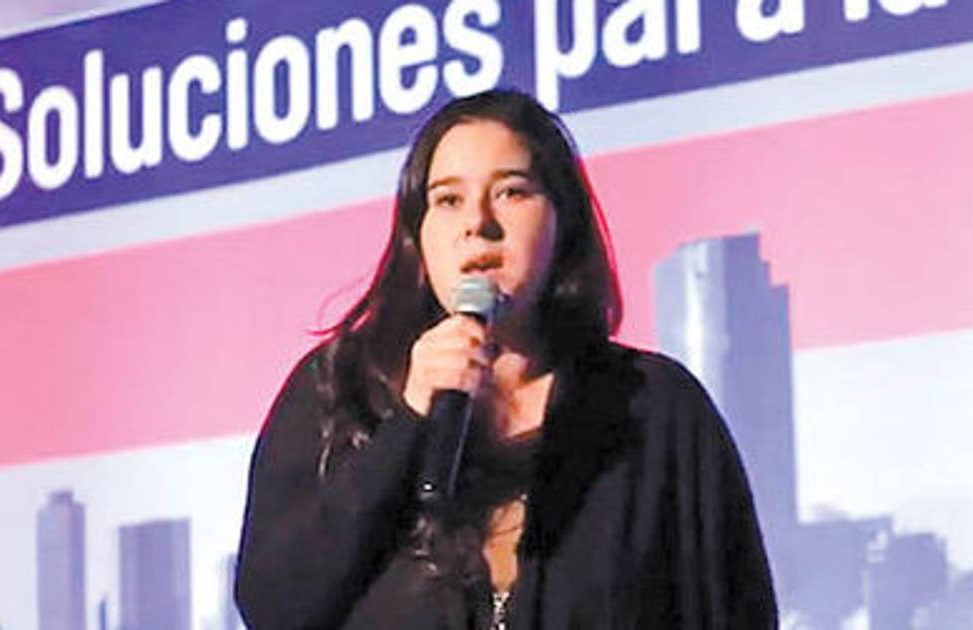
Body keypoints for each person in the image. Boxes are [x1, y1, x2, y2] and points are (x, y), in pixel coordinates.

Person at [234, 89, 777, 629]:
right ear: (417, 235)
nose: (478, 222)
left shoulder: (655, 408)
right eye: (448, 200)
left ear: (562, 222)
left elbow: (737, 611)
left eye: (512, 192)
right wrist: (408, 423)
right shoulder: (338, 391)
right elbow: (273, 608)